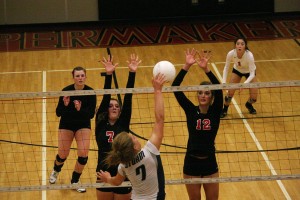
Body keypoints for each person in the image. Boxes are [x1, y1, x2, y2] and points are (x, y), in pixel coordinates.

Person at [97, 73, 166, 200]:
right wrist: (158, 91)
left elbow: (116, 182)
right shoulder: (149, 153)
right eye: (134, 137)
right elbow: (160, 119)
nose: (135, 137)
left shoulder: (123, 166)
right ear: (134, 146)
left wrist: (107, 178)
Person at [172, 48, 223, 200]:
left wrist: (206, 69)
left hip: (210, 163)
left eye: (207, 93)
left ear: (211, 97)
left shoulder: (215, 111)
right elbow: (175, 87)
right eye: (200, 92)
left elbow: (219, 90)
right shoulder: (190, 110)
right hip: (191, 163)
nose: (203, 95)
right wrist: (186, 66)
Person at [95, 53, 141, 200]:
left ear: (120, 111)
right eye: (110, 106)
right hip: (103, 173)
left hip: (124, 173)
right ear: (106, 110)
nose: (114, 108)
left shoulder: (123, 124)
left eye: (117, 106)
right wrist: (109, 75)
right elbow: (105, 98)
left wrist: (132, 73)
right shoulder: (100, 123)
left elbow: (128, 98)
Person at [49, 66, 97, 193]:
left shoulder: (90, 92)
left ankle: (75, 180)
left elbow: (91, 114)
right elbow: (58, 113)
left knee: (83, 154)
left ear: (86, 77)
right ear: (73, 77)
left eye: (82, 75)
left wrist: (80, 109)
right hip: (67, 124)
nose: (80, 78)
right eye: (77, 76)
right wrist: (65, 105)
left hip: (83, 125)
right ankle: (56, 170)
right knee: (63, 154)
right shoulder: (66, 91)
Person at [220, 37, 258, 118]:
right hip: (237, 71)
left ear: (245, 46)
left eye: (242, 44)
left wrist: (244, 84)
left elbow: (252, 74)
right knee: (229, 93)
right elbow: (226, 67)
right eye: (238, 44)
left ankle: (248, 104)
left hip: (250, 73)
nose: (240, 46)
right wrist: (223, 82)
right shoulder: (231, 53)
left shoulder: (249, 55)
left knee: (254, 98)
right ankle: (225, 109)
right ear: (235, 45)